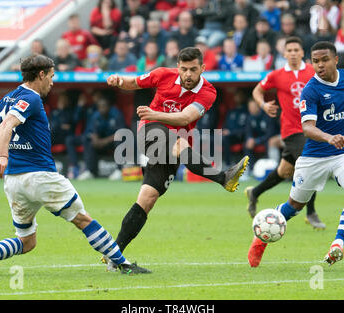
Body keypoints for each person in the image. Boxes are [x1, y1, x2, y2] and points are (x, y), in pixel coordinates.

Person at [0, 54, 149, 275]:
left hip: (14, 182)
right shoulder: (33, 98)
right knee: (83, 220)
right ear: (41, 74)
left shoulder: (7, 98)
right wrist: (2, 156)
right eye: (51, 76)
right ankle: (123, 265)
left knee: (27, 241)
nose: (53, 82)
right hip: (40, 176)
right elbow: (7, 124)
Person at [103, 47, 249, 271]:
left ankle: (115, 255)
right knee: (181, 143)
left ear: (203, 68)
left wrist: (155, 113)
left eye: (193, 69)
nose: (188, 74)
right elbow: (133, 82)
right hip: (150, 131)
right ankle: (223, 178)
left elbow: (185, 118)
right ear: (177, 67)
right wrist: (118, 80)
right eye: (183, 69)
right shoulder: (163, 74)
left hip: (172, 136)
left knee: (148, 198)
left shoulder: (208, 92)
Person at [247, 41, 344, 268]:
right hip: (315, 156)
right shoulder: (311, 90)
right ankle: (260, 239)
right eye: (316, 61)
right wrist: (329, 137)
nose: (319, 65)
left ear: (336, 59)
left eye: (324, 60)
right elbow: (307, 128)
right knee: (293, 207)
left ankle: (338, 243)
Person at [246, 36, 326, 230]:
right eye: (289, 51)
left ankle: (255, 193)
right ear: (284, 54)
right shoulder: (277, 75)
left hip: (312, 126)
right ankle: (311, 212)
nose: (292, 53)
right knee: (311, 163)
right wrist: (263, 104)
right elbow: (257, 91)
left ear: (302, 53)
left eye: (296, 50)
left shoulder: (311, 71)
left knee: (284, 171)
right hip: (292, 130)